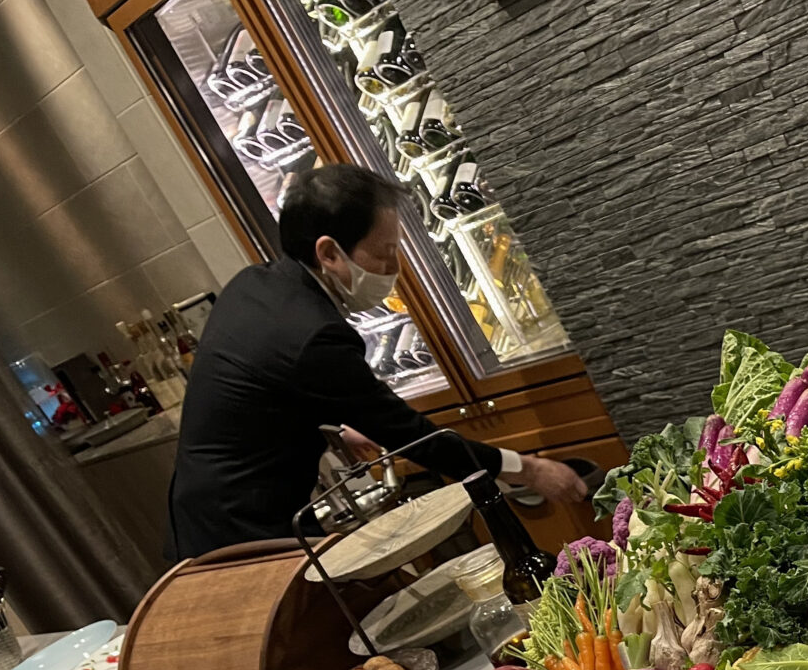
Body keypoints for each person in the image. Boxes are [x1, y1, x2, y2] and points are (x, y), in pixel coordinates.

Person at [165, 163, 587, 561]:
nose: (394, 268)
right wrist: (526, 470)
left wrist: (334, 424)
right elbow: (412, 437)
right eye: (385, 252)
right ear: (329, 253)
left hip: (201, 519)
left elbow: (264, 390)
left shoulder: (254, 283)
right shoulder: (315, 335)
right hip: (245, 534)